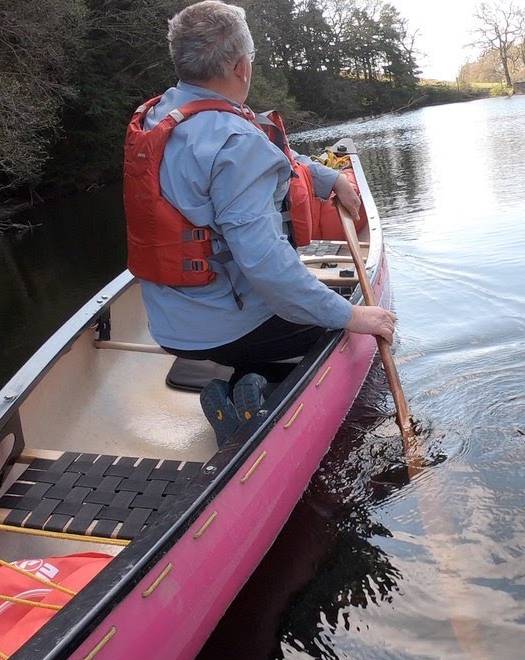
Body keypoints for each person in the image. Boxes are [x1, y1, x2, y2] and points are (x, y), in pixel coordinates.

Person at [124, 1, 396, 441]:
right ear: (241, 66)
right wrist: (352, 316)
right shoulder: (235, 140)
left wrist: (326, 177)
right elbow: (268, 265)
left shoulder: (160, 115)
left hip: (169, 326)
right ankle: (260, 390)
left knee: (307, 309)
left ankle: (238, 384)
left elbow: (272, 151)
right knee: (340, 324)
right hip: (228, 328)